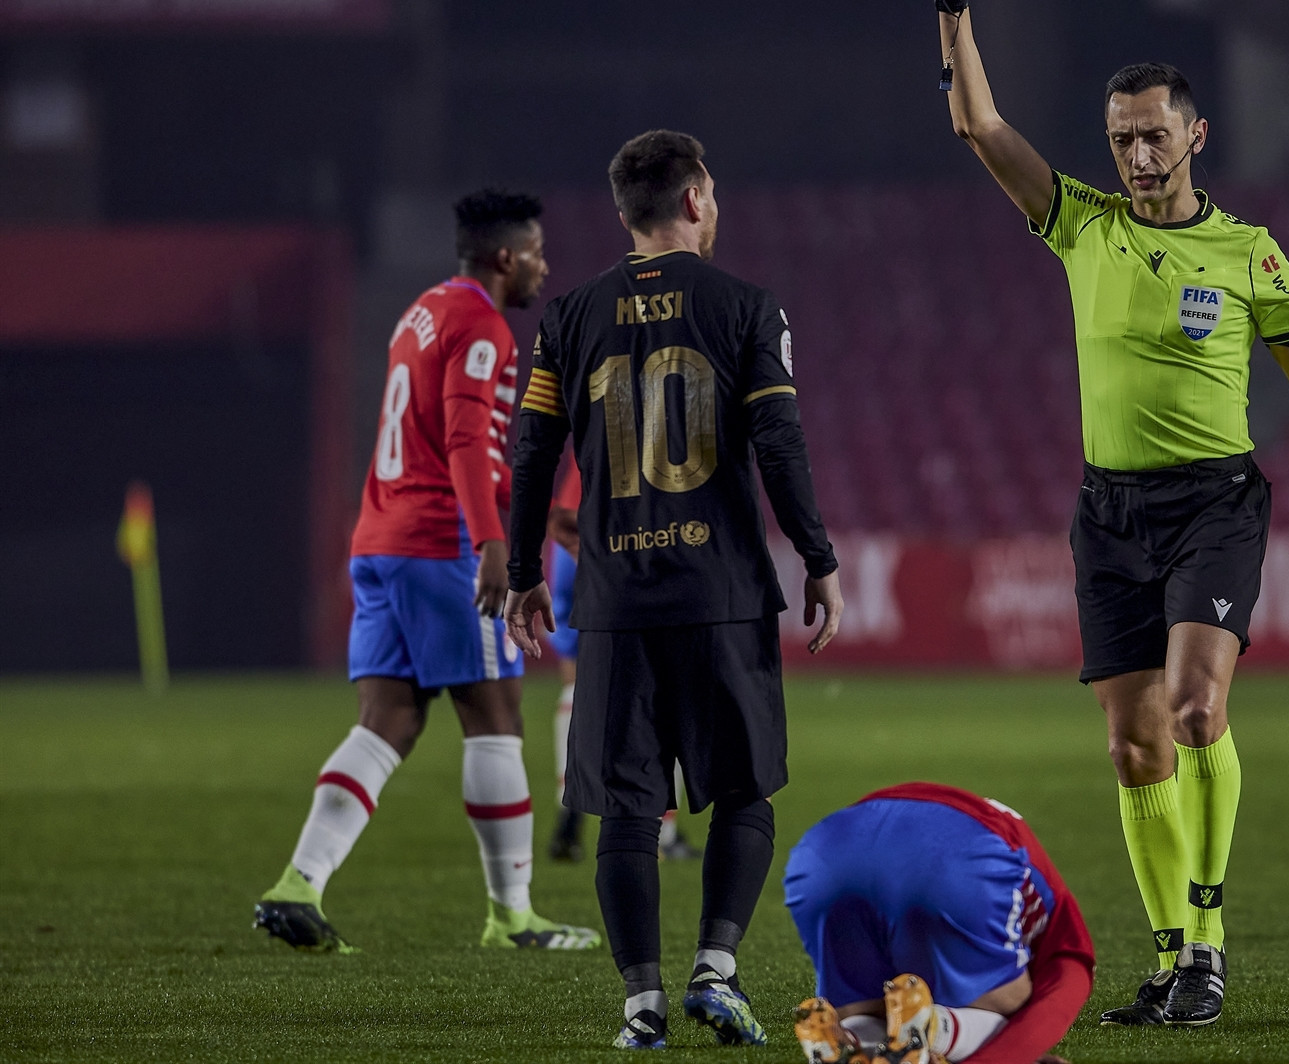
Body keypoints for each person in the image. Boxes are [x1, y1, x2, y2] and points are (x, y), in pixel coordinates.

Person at [925, 0, 1289, 1030]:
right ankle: (1175, 950)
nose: (1134, 153)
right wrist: (954, 1)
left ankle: (1213, 932)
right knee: (1132, 739)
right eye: (1120, 135)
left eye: (1152, 135)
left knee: (1192, 708)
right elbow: (979, 121)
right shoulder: (1080, 224)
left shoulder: (1250, 253)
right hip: (1108, 509)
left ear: (1196, 136)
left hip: (1215, 503)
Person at [503, 129, 845, 1050]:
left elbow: (530, 454)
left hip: (615, 602)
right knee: (744, 794)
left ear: (626, 215)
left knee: (625, 807)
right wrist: (816, 555)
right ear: (694, 199)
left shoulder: (567, 318)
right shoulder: (746, 307)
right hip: (724, 592)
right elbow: (779, 443)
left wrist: (526, 570)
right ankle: (718, 970)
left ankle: (641, 1009)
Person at [253, 189, 599, 955]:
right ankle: (512, 918)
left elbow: (432, 435)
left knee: (388, 724)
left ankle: (297, 884)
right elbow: (467, 444)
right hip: (441, 547)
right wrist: (494, 546)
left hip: (379, 540)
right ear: (505, 257)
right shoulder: (484, 328)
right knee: (498, 717)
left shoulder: (422, 311)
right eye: (537, 252)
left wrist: (541, 518)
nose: (545, 266)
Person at [784, 783, 1093, 1064]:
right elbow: (1055, 1000)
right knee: (1015, 1002)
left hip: (825, 854)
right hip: (955, 857)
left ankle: (847, 1042)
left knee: (865, 1007)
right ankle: (934, 1027)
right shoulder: (1059, 926)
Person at [544, 449, 700, 864]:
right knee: (666, 683)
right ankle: (663, 832)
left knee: (577, 682)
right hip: (626, 537)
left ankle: (568, 820)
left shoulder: (594, 401)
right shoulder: (663, 405)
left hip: (568, 542)